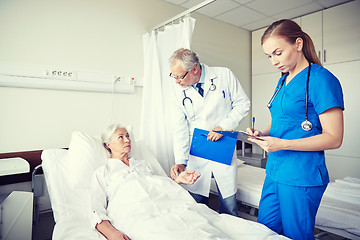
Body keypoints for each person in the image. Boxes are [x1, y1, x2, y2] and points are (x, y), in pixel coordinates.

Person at [246, 19, 344, 240]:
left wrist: (283, 143)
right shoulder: (283, 80)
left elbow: (334, 138)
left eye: (277, 53)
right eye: (269, 56)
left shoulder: (321, 80)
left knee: (295, 235)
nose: (273, 61)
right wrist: (262, 133)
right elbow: (281, 118)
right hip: (274, 171)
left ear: (298, 44)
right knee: (266, 231)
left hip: (301, 176)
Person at [169, 48, 250, 216]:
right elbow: (179, 127)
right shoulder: (178, 90)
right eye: (174, 76)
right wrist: (180, 160)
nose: (176, 81)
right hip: (197, 150)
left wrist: (224, 125)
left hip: (223, 144)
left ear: (195, 69)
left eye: (179, 76)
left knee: (228, 204)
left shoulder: (224, 75)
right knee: (196, 203)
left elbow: (243, 104)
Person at [90, 124, 201, 240]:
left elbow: (160, 187)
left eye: (128, 136)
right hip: (136, 214)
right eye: (121, 137)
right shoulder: (102, 172)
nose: (128, 140)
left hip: (167, 207)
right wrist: (113, 234)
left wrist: (177, 180)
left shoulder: (143, 164)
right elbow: (96, 210)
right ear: (109, 145)